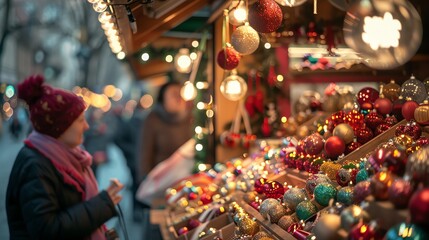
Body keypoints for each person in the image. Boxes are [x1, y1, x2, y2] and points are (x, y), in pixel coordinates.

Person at [6, 75, 124, 240]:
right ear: (60, 127)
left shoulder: (69, 156)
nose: (87, 126)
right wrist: (102, 204)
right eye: (80, 120)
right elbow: (47, 230)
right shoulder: (35, 165)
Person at [137, 81, 193, 206]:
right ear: (163, 98)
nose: (179, 98)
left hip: (187, 183)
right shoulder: (153, 119)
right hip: (162, 185)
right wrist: (147, 182)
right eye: (174, 94)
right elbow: (145, 154)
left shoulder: (191, 118)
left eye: (181, 94)